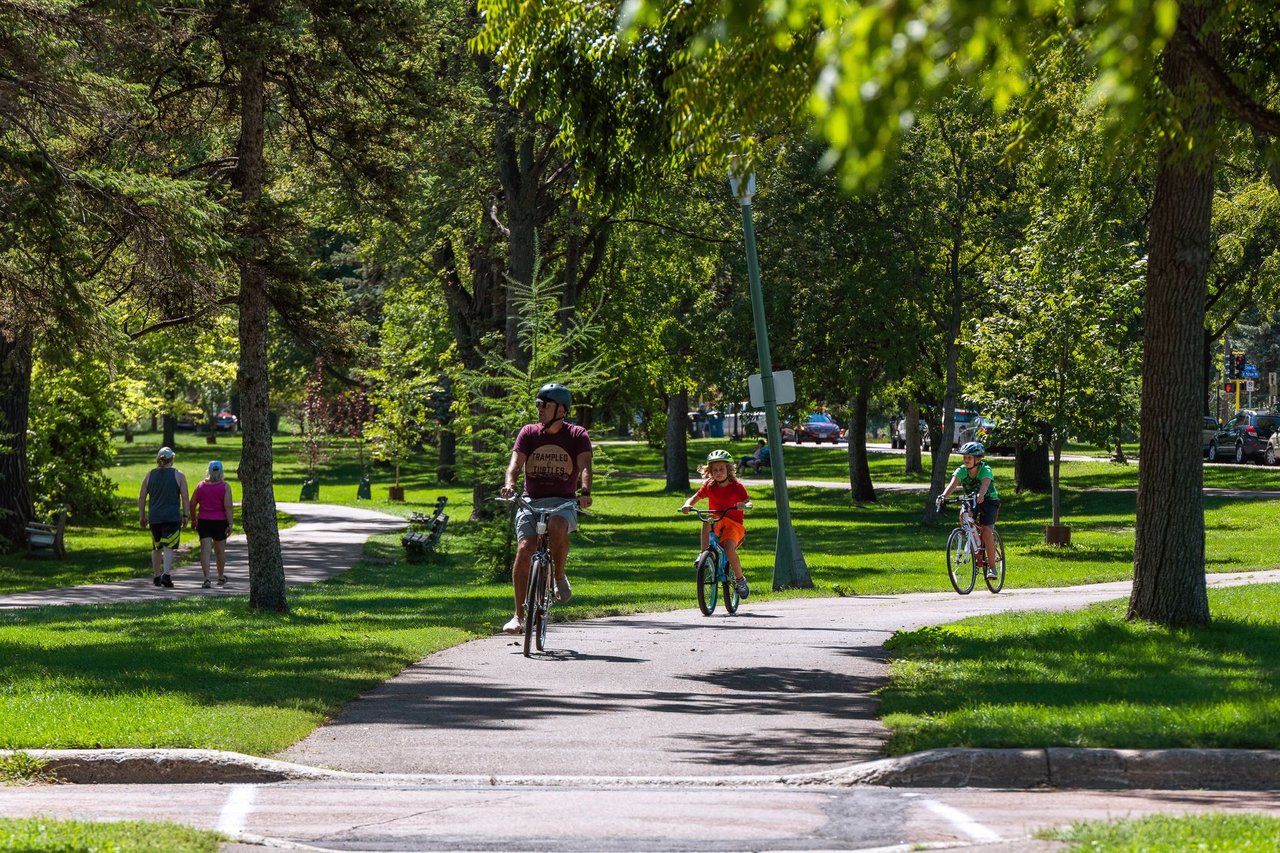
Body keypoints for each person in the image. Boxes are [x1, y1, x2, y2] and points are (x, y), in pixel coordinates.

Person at [498, 382, 593, 634]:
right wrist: (509, 485)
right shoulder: (529, 433)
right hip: (531, 501)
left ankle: (559, 576)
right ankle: (518, 616)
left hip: (563, 502)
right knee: (525, 548)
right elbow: (515, 464)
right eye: (538, 404)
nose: (539, 409)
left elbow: (584, 466)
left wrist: (585, 492)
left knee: (557, 525)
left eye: (545, 405)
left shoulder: (577, 435)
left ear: (561, 410)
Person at [680, 449, 751, 598]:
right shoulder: (709, 485)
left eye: (721, 469)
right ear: (710, 472)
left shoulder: (736, 486)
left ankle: (740, 580)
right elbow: (695, 498)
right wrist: (687, 504)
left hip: (734, 525)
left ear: (729, 470)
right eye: (715, 470)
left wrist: (744, 505)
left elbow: (748, 502)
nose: (718, 472)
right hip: (717, 520)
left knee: (729, 550)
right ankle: (703, 554)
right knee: (706, 519)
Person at [939, 441, 1001, 579]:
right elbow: (953, 484)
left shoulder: (985, 469)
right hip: (972, 499)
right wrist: (943, 496)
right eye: (964, 457)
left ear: (978, 459)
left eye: (969, 457)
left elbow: (985, 483)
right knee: (963, 515)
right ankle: (973, 540)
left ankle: (992, 568)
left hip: (989, 500)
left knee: (986, 531)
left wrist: (981, 493)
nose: (966, 460)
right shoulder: (961, 470)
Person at [138, 446, 191, 588]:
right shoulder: (178, 475)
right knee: (168, 546)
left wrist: (142, 516)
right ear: (171, 459)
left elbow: (142, 497)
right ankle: (166, 574)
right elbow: (185, 497)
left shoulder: (149, 475)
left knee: (156, 547)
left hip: (155, 517)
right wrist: (186, 514)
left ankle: (156, 576)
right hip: (172, 516)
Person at [190, 460, 234, 588]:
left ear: (208, 471)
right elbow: (228, 507)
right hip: (220, 521)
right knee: (220, 551)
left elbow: (192, 504)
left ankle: (206, 578)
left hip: (204, 521)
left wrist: (193, 519)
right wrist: (230, 523)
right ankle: (220, 577)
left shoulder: (200, 486)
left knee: (205, 550)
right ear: (221, 472)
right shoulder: (225, 486)